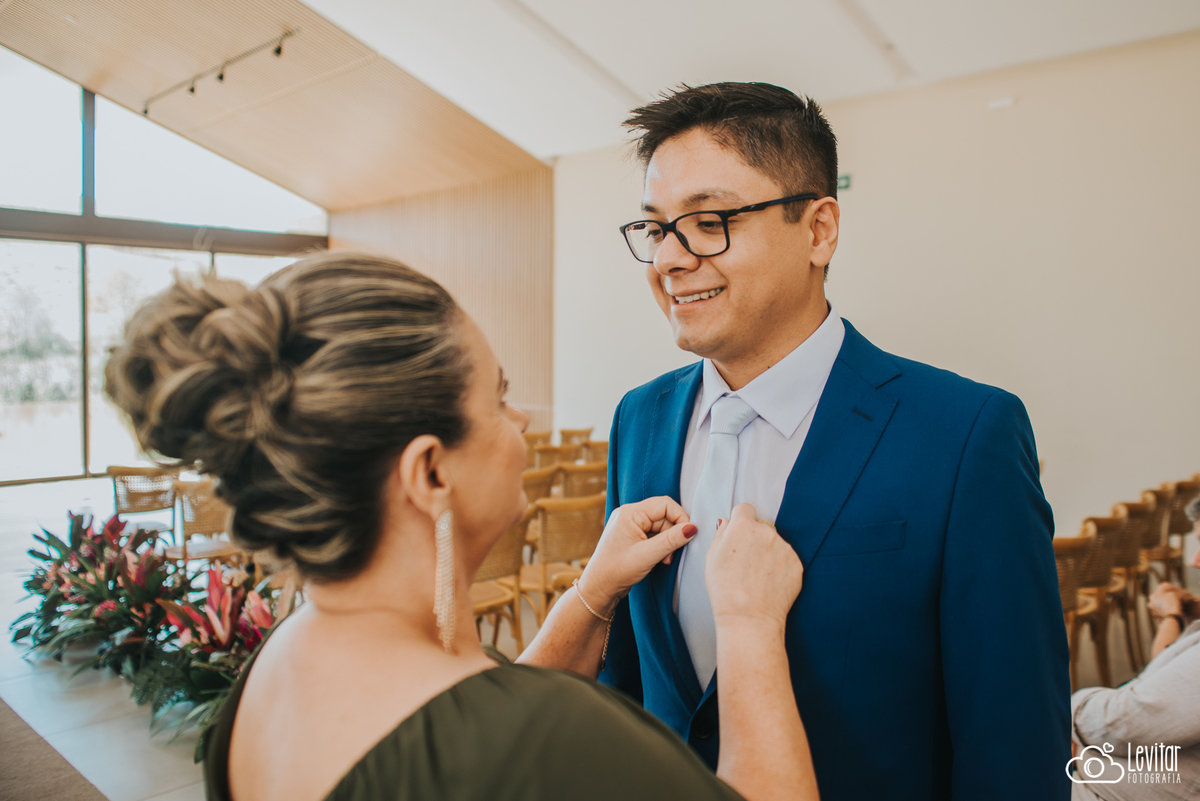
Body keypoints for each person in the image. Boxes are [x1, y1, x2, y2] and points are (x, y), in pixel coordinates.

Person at [102, 253, 820, 801]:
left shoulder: (274, 668)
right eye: (498, 399)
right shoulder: (552, 737)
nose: (519, 427)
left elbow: (465, 732)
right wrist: (750, 627)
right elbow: (504, 743)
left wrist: (591, 593)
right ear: (429, 473)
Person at [602, 82, 1071, 800]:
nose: (668, 258)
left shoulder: (964, 433)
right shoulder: (639, 417)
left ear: (818, 229)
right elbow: (626, 689)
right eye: (656, 228)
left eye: (708, 221)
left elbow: (1014, 748)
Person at [1067, 496, 1200, 800]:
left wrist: (1070, 711)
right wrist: (1177, 617)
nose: (1194, 560)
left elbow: (1119, 726)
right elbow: (1167, 680)